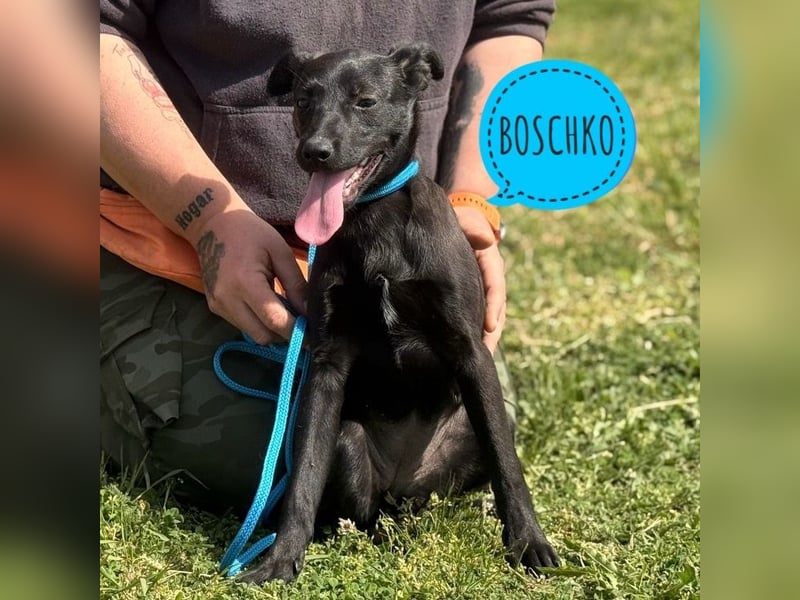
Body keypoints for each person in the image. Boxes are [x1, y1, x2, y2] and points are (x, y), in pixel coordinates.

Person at [100, 1, 556, 512]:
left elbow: (507, 20)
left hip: (394, 229)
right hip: (170, 237)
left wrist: (470, 199)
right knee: (267, 461)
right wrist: (208, 219)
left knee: (465, 435)